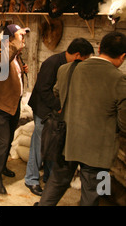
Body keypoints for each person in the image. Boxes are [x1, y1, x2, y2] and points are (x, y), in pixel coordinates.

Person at [38, 31, 126, 206]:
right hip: (100, 151)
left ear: (99, 48)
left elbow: (57, 93)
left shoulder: (66, 69)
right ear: (123, 56)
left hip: (67, 142)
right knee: (94, 195)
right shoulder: (120, 79)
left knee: (55, 184)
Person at [24, 38, 94, 196]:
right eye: (85, 58)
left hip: (55, 112)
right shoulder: (53, 62)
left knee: (53, 145)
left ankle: (49, 177)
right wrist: (59, 106)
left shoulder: (71, 66)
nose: (85, 62)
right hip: (44, 110)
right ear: (77, 55)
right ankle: (31, 179)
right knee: (40, 145)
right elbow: (43, 89)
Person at [0, 24, 29, 194]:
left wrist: (20, 71)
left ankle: (2, 167)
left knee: (9, 138)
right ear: (9, 38)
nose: (23, 39)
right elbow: (0, 64)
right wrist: (14, 45)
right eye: (19, 35)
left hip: (12, 103)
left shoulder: (15, 54)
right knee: (1, 142)